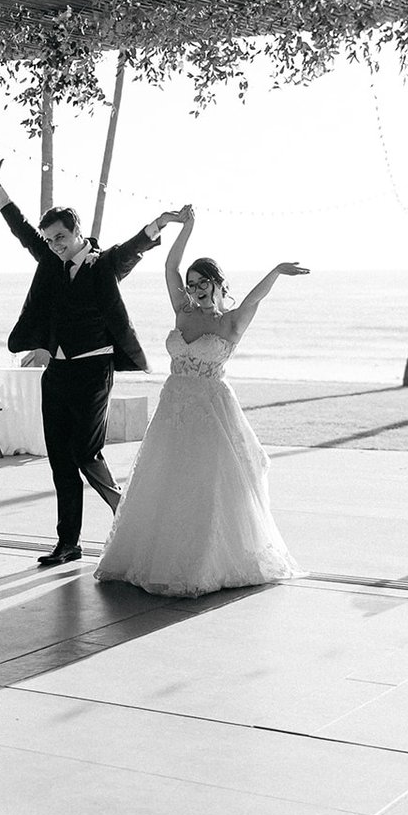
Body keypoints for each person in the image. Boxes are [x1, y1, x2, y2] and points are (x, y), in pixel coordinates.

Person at [0, 150, 188, 567]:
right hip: (56, 373)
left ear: (77, 232)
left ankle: (126, 513)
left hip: (94, 370)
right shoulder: (50, 262)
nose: (55, 246)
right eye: (51, 240)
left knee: (85, 451)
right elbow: (22, 231)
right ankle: (68, 543)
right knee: (60, 459)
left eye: (60, 238)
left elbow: (131, 249)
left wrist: (160, 224)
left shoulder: (101, 264)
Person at [95, 205, 308, 597]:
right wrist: (186, 227)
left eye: (201, 283)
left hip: (212, 411)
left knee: (206, 486)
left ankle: (205, 562)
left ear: (216, 283)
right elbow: (170, 266)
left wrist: (275, 271)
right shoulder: (182, 311)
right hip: (173, 408)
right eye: (191, 284)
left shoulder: (229, 323)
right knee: (165, 483)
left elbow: (254, 301)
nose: (193, 290)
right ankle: (155, 557)